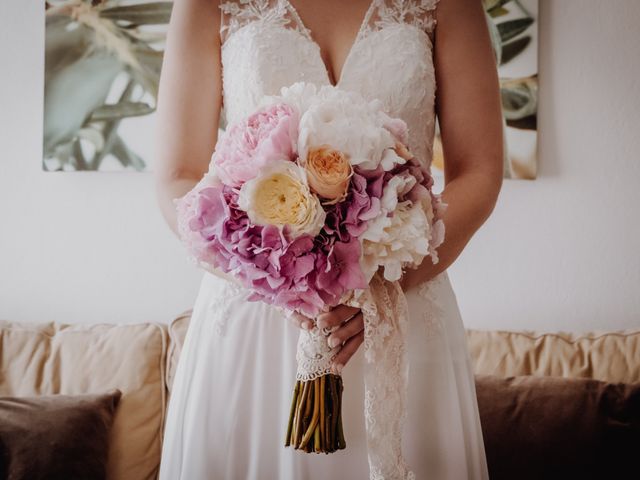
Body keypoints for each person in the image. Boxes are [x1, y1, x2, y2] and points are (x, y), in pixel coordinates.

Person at [154, 0, 503, 478]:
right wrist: (277, 279)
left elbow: (479, 171)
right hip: (259, 319)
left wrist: (379, 287)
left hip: (402, 306)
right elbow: (178, 175)